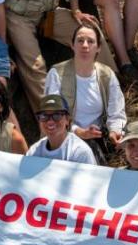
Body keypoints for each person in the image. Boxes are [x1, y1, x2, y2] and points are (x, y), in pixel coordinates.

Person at [43, 17, 127, 163]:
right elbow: (52, 114)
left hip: (97, 138)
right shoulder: (57, 73)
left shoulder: (106, 75)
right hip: (63, 136)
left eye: (91, 41)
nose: (85, 45)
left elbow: (116, 111)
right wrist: (78, 132)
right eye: (80, 41)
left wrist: (115, 131)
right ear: (72, 45)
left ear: (99, 47)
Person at [26, 94, 100, 164]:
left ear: (67, 120)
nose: (50, 121)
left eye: (57, 115)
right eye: (44, 116)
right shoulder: (34, 151)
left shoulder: (80, 152)